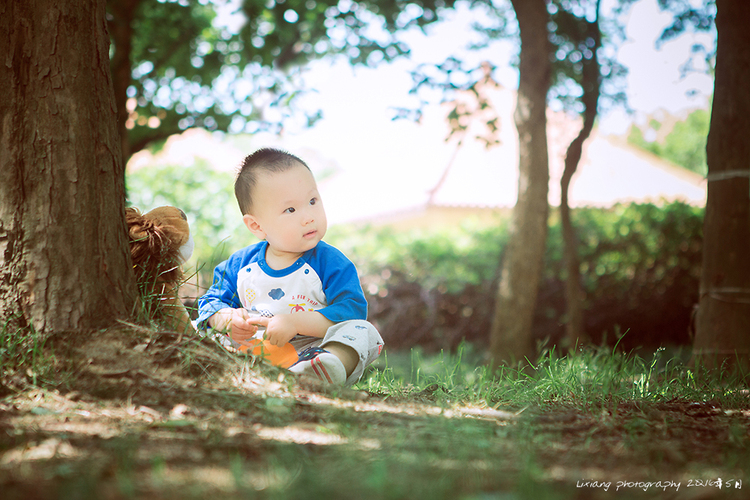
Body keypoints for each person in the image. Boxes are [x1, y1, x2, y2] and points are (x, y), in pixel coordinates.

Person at [196, 147, 384, 386]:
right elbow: (210, 302)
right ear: (256, 226)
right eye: (291, 210)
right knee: (197, 327)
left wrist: (295, 323)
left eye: (313, 201)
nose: (308, 216)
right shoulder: (239, 266)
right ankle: (232, 368)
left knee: (362, 331)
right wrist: (226, 319)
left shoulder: (331, 262)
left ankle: (322, 371)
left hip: (312, 349)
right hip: (253, 347)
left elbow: (351, 311)